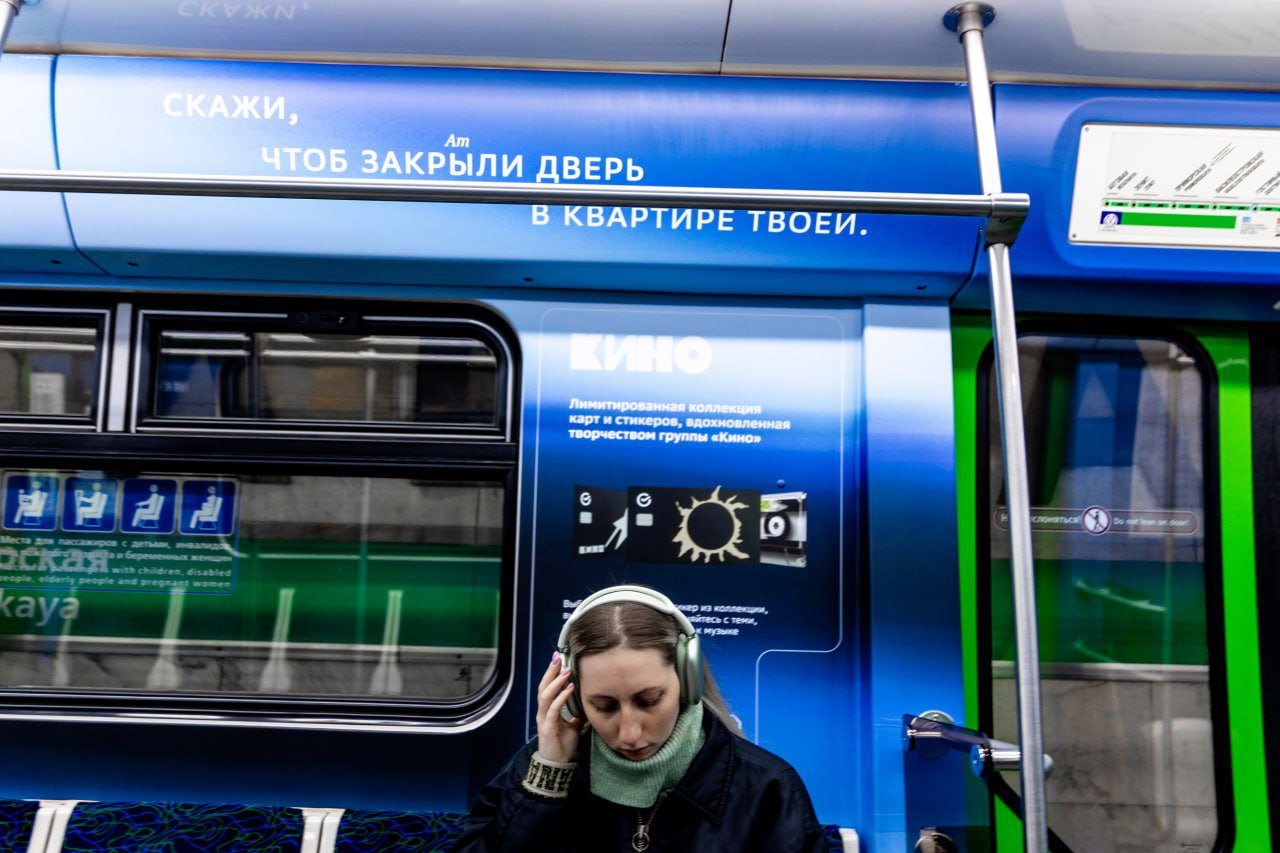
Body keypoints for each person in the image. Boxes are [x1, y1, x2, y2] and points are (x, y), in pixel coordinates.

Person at [453, 584, 827, 852]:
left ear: (687, 679)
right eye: (604, 706)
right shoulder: (537, 772)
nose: (630, 734)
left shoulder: (767, 789)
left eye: (649, 701)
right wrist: (550, 775)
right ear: (574, 699)